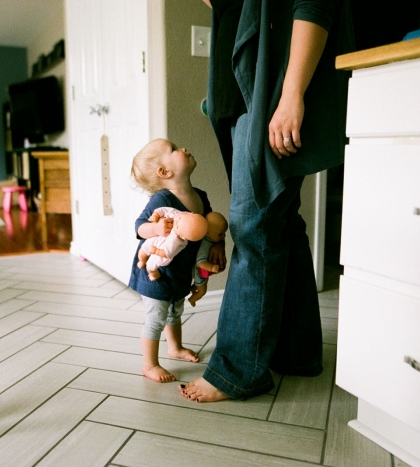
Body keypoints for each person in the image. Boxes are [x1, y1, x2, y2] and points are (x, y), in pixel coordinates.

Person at [180, 0, 355, 401]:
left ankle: (238, 372)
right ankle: (298, 354)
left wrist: (292, 95)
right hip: (242, 103)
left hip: (267, 101)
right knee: (281, 224)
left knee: (254, 228)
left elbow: (314, 5)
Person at [129, 138, 224, 383]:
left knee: (174, 311)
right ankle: (150, 364)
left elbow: (210, 228)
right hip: (156, 271)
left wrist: (218, 244)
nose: (183, 148)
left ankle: (175, 348)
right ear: (165, 172)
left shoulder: (200, 196)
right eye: (173, 149)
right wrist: (156, 228)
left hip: (181, 270)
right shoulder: (162, 200)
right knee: (156, 318)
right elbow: (139, 227)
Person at [189, 212, 228, 307]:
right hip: (198, 273)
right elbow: (200, 262)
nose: (224, 237)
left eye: (224, 233)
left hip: (202, 273)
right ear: (207, 232)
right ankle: (192, 299)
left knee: (200, 285)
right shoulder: (205, 245)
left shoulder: (210, 239)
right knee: (202, 291)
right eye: (220, 234)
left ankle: (194, 288)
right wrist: (211, 267)